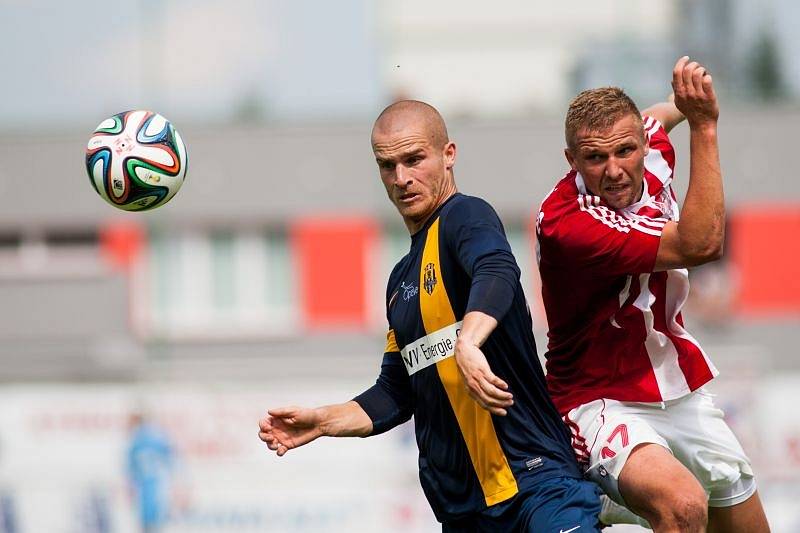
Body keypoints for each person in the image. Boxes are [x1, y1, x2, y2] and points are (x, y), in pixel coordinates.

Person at [258, 100, 603, 531]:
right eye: (388, 166)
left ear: (448, 154)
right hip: (463, 513)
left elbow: (497, 268)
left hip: (536, 488)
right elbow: (396, 392)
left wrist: (470, 341)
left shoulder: (466, 216)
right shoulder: (399, 283)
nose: (402, 178)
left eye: (414, 159)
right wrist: (323, 421)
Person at [528, 57, 770, 532]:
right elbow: (702, 244)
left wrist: (683, 103)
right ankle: (583, 493)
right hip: (595, 398)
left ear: (642, 143)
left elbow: (660, 115)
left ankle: (613, 500)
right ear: (572, 160)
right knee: (682, 505)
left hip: (673, 385)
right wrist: (704, 126)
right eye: (595, 158)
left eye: (625, 151)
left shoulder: (652, 145)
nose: (614, 171)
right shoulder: (567, 224)